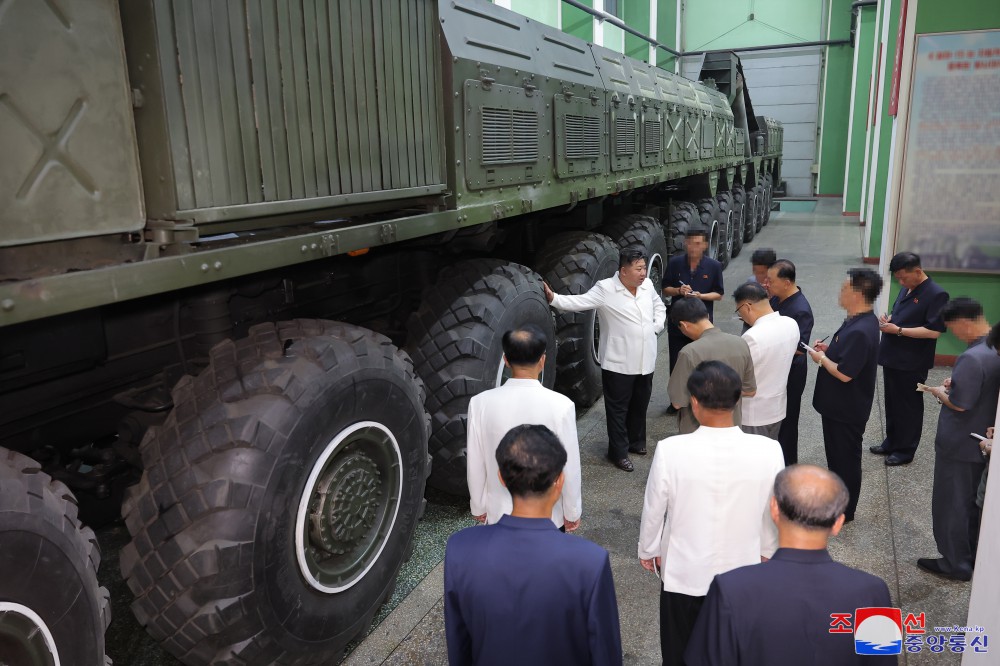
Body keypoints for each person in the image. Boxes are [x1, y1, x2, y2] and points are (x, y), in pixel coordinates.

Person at [639, 361, 783, 666]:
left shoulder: (671, 449)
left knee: (679, 652)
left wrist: (649, 549)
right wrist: (768, 550)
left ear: (694, 401)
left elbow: (654, 508)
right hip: (743, 573)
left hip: (683, 573)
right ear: (737, 399)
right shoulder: (769, 450)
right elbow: (775, 511)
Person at [445, 425, 623, 666]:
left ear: (501, 478)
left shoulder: (460, 549)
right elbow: (604, 652)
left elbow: (459, 643)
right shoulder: (590, 562)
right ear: (559, 481)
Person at [684, 465, 894, 666]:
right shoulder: (874, 592)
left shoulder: (730, 588)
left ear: (774, 509)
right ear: (838, 523)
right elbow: (883, 659)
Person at [545, 248, 666, 472]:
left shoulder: (647, 286)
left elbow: (659, 306)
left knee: (640, 403)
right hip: (618, 363)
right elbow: (579, 302)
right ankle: (618, 453)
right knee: (618, 410)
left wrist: (656, 327)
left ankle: (636, 442)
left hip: (645, 359)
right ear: (623, 271)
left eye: (643, 268)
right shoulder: (605, 289)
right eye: (638, 269)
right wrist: (554, 299)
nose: (643, 273)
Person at [466, 325, 581, 531]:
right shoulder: (562, 405)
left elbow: (476, 461)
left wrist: (478, 506)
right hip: (548, 514)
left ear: (505, 360)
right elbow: (569, 466)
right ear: (542, 360)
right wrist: (572, 510)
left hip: (498, 513)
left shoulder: (480, 403)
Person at [918, 299, 1000, 581]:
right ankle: (970, 556)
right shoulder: (993, 349)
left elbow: (960, 403)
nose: (954, 334)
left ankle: (955, 562)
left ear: (963, 322)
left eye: (953, 328)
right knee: (971, 505)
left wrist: (939, 391)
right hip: (981, 440)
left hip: (960, 442)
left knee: (952, 505)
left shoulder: (973, 357)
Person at [808, 268, 883, 522]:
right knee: (837, 458)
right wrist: (830, 351)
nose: (840, 292)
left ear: (858, 293)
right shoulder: (857, 319)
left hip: (846, 408)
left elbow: (845, 374)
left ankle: (845, 510)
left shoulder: (861, 329)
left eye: (844, 288)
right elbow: (849, 356)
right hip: (838, 405)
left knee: (845, 460)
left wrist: (821, 359)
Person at [871, 252, 949, 465]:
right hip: (893, 356)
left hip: (912, 360)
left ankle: (905, 450)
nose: (901, 282)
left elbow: (934, 332)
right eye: (898, 278)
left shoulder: (936, 294)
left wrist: (898, 330)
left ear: (917, 271)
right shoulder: (908, 287)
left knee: (909, 406)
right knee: (893, 402)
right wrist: (890, 320)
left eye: (903, 277)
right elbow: (903, 315)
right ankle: (891, 441)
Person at [667, 298, 756, 435]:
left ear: (684, 325)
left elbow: (677, 402)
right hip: (732, 427)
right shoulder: (740, 343)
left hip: (697, 431)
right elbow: (750, 390)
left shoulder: (689, 352)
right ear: (707, 316)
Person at [734, 281, 800, 440]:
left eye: (738, 311)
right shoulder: (791, 324)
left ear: (746, 307)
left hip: (753, 413)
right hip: (777, 408)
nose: (740, 316)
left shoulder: (751, 336)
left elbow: (739, 377)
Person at [766, 259, 815, 464]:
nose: (767, 284)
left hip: (790, 374)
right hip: (776, 369)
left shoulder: (800, 309)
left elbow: (798, 349)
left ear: (786, 282)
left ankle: (787, 463)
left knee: (787, 420)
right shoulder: (778, 299)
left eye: (771, 280)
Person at [661, 229, 724, 383]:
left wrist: (701, 296)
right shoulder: (675, 263)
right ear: (685, 244)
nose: (693, 247)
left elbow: (719, 294)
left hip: (701, 325)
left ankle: (697, 399)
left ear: (704, 245)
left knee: (700, 363)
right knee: (677, 363)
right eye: (690, 243)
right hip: (679, 324)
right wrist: (678, 290)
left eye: (697, 244)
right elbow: (665, 288)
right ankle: (676, 403)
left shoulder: (714, 266)